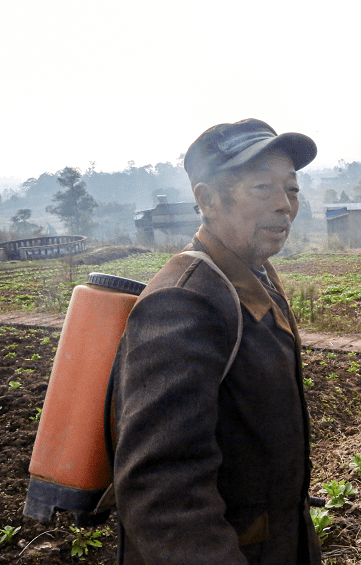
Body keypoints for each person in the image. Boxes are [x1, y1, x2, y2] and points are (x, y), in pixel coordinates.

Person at [110, 118, 322, 565]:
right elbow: (164, 495)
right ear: (207, 200)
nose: (285, 206)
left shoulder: (253, 276)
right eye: (263, 188)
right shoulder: (183, 302)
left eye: (293, 189)